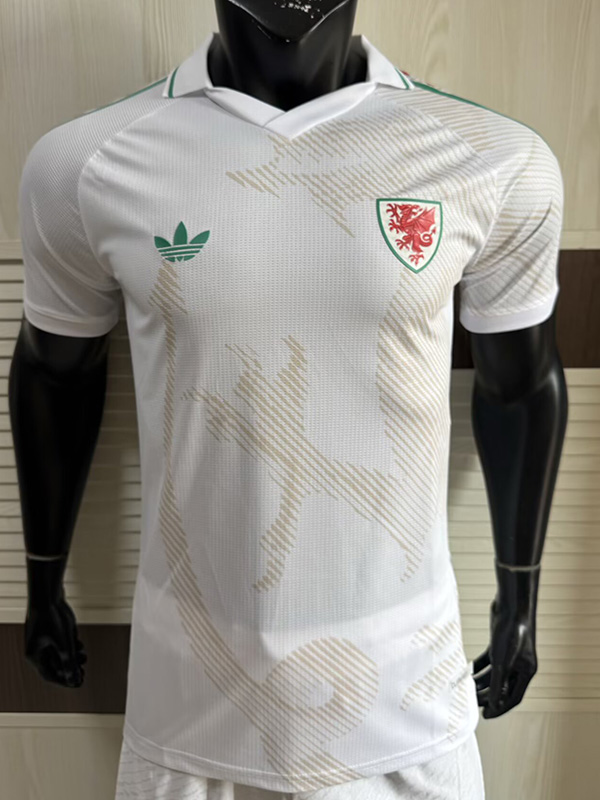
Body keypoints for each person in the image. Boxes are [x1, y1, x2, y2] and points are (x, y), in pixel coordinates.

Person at [11, 1, 567, 798]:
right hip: (190, 712)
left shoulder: (492, 159)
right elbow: (55, 372)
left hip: (406, 705)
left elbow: (521, 388)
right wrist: (42, 579)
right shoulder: (86, 164)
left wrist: (520, 596)